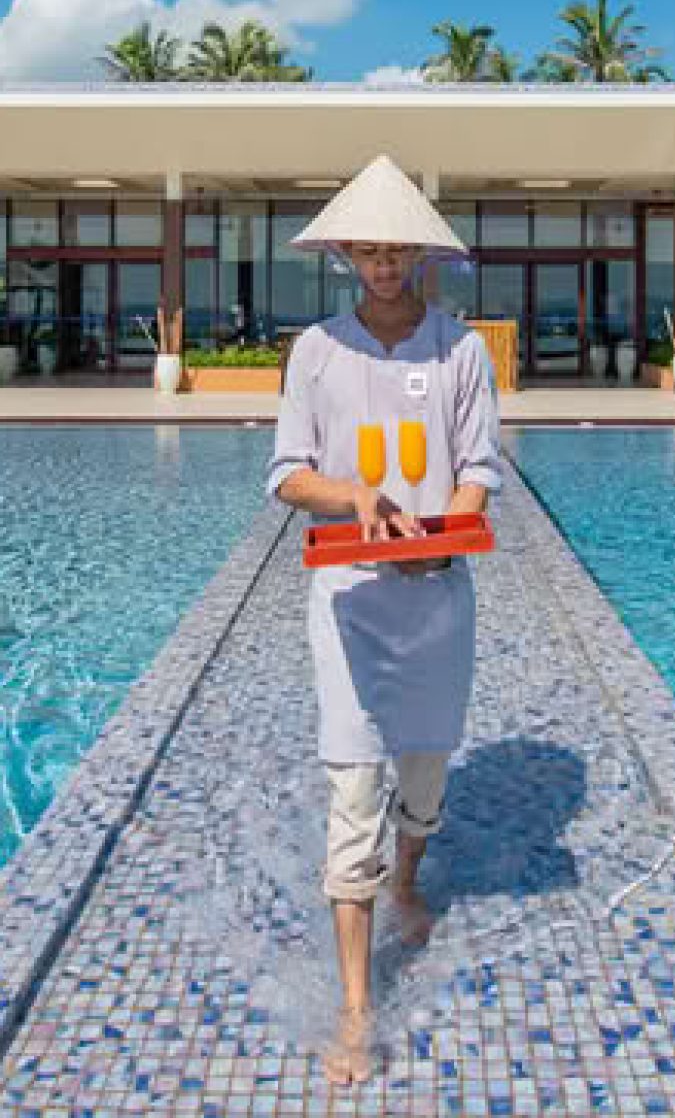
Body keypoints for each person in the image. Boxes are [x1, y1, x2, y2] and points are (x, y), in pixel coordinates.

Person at [266, 154, 502, 1086]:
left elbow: (479, 464)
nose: (382, 260)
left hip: (438, 596)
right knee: (353, 795)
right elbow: (287, 473)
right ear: (346, 253)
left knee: (426, 777)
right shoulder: (316, 351)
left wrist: (455, 527)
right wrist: (353, 493)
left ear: (418, 250)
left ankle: (409, 878)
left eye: (395, 246)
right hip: (350, 601)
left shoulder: (461, 349)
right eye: (366, 247)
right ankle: (359, 1006)